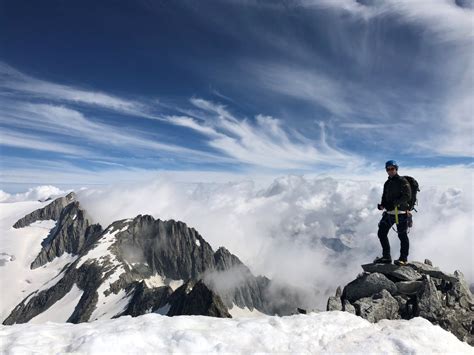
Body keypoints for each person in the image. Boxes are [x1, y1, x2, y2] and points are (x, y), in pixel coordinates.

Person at [374, 160, 412, 266]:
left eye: (392, 168)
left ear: (396, 169)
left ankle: (403, 259)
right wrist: (382, 205)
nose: (390, 171)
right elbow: (384, 196)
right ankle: (386, 257)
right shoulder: (387, 183)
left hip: (401, 213)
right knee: (381, 233)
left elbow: (407, 196)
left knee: (402, 235)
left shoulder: (402, 181)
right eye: (388, 169)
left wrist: (394, 204)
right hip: (389, 213)